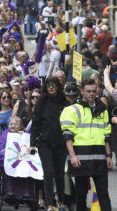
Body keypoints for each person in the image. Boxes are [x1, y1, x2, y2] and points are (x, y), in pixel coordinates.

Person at [60, 79, 112, 211]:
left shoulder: (102, 110)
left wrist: (109, 155)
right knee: (81, 196)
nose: (92, 94)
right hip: (80, 158)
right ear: (81, 91)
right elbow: (67, 135)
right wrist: (72, 156)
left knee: (103, 194)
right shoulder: (71, 110)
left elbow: (107, 135)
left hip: (100, 157)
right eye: (88, 91)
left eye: (94, 91)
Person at [30, 77, 68, 211]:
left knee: (59, 174)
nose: (51, 87)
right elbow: (35, 124)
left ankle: (61, 202)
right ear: (45, 87)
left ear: (58, 86)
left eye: (54, 85)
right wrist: (32, 144)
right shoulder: (41, 102)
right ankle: (50, 204)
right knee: (48, 173)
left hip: (61, 143)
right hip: (45, 143)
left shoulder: (65, 102)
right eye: (48, 85)